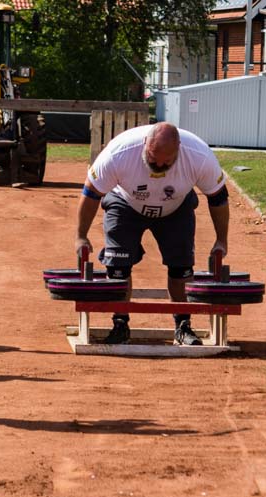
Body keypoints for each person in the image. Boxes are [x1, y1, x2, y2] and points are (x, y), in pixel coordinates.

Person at [75, 122, 229, 345]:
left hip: (176, 207)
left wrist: (221, 239)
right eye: (153, 157)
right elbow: (91, 193)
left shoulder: (198, 155)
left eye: (167, 161)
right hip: (125, 202)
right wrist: (81, 235)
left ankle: (183, 325)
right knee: (118, 267)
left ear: (179, 149)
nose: (158, 164)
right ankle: (120, 323)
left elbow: (218, 198)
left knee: (181, 268)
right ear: (145, 143)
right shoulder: (119, 153)